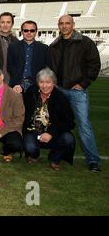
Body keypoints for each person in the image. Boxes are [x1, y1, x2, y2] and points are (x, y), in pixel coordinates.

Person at [49, 14, 102, 172]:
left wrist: (84, 83)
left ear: (73, 24)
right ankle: (58, 155)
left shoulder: (84, 42)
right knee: (57, 123)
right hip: (58, 90)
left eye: (67, 23)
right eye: (61, 23)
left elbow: (94, 64)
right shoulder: (55, 44)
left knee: (84, 126)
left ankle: (93, 160)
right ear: (58, 26)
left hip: (76, 91)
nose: (64, 26)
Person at [23, 68, 76, 170]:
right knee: (29, 146)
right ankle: (33, 155)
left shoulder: (61, 98)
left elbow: (69, 122)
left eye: (48, 82)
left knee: (68, 139)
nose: (44, 85)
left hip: (54, 134)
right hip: (34, 132)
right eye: (41, 82)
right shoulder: (31, 92)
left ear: (54, 83)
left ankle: (55, 158)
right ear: (37, 83)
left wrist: (51, 133)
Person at [7, 20, 49, 94]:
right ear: (22, 32)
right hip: (16, 86)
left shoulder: (44, 48)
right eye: (26, 30)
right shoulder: (13, 47)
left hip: (36, 87)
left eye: (32, 30)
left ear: (36, 32)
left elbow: (44, 69)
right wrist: (17, 84)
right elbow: (10, 67)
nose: (29, 33)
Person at [0, 12, 20, 83]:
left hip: (12, 81)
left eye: (8, 22)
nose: (5, 25)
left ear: (12, 24)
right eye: (2, 22)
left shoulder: (17, 42)